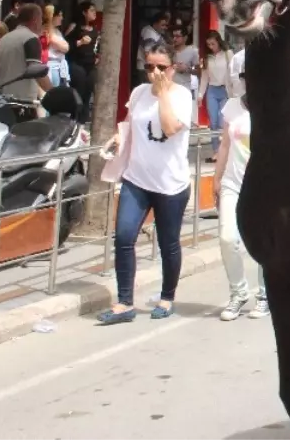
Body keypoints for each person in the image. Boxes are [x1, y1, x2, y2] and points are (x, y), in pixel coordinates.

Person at [97, 42, 194, 325]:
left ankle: (167, 297)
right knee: (124, 237)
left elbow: (169, 127)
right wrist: (118, 138)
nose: (154, 73)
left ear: (172, 69)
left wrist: (163, 93)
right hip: (136, 179)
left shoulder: (182, 96)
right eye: (149, 67)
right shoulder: (139, 92)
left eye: (161, 68)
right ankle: (124, 302)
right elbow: (129, 121)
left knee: (168, 243)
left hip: (170, 185)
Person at [214, 67, 268, 321]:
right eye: (248, 76)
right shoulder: (231, 107)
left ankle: (266, 295)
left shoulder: (275, 105)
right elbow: (225, 144)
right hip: (233, 183)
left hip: (264, 186)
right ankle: (238, 293)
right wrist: (216, 178)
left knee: (264, 243)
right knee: (227, 238)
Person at [0, 4, 52, 100]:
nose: (42, 22)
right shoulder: (31, 38)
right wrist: (54, 92)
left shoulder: (4, 39)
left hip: (1, 99)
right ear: (35, 19)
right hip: (22, 102)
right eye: (41, 18)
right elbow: (37, 73)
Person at [198, 31, 232, 162]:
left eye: (213, 43)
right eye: (208, 44)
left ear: (218, 41)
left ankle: (225, 150)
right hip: (212, 90)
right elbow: (204, 78)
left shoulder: (228, 54)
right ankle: (216, 151)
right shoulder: (206, 58)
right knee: (213, 122)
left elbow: (233, 73)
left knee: (221, 120)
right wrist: (200, 94)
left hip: (225, 90)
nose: (211, 46)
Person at [64, 2, 99, 120]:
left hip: (90, 63)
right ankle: (75, 117)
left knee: (88, 90)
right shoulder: (74, 27)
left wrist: (98, 57)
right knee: (79, 89)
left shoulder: (95, 29)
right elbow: (66, 46)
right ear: (84, 12)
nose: (94, 13)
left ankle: (84, 118)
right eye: (91, 10)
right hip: (77, 62)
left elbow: (97, 46)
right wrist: (80, 42)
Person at [43, 5, 70, 88]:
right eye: (59, 15)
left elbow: (66, 47)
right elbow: (63, 47)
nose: (61, 18)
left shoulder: (57, 31)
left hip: (60, 66)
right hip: (51, 67)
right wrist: (62, 46)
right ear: (52, 16)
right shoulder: (45, 30)